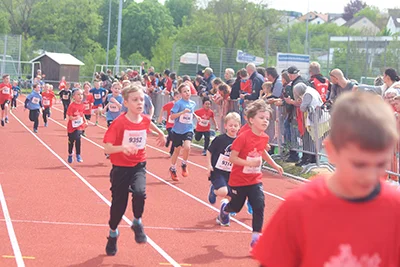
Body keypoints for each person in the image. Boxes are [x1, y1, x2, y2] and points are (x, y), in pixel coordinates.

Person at [252, 92, 400, 266]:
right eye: (359, 164)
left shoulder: (394, 209)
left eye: (380, 163)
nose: (369, 175)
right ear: (330, 150)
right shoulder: (300, 206)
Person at [103, 84, 166, 256]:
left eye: (142, 100)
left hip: (138, 165)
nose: (140, 103)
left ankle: (137, 222)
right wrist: (122, 148)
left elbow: (149, 124)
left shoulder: (144, 119)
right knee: (119, 205)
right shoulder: (119, 123)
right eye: (135, 100)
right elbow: (107, 148)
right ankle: (113, 233)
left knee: (140, 193)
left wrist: (160, 133)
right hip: (120, 169)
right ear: (125, 102)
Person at [217, 99, 283, 251]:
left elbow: (262, 151)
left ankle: (256, 239)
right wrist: (248, 164)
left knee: (259, 205)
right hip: (239, 180)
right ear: (251, 120)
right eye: (261, 118)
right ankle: (225, 209)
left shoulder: (264, 137)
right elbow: (232, 158)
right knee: (236, 206)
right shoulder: (243, 137)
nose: (265, 121)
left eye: (267, 118)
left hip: (255, 179)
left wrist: (274, 164)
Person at [207, 112, 240, 208]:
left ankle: (223, 215)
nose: (233, 128)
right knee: (223, 191)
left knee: (232, 195)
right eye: (230, 125)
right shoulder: (220, 139)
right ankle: (214, 190)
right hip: (218, 171)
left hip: (232, 173)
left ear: (239, 127)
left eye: (235, 125)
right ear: (225, 126)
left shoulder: (239, 141)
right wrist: (209, 166)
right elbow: (209, 151)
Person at [168, 84, 200, 181]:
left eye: (188, 91)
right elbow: (172, 116)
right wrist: (182, 112)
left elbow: (190, 111)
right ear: (181, 94)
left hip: (188, 129)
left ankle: (184, 164)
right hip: (177, 130)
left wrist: (195, 116)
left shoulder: (192, 103)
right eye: (185, 91)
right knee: (177, 150)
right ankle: (172, 168)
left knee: (187, 147)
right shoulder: (178, 104)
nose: (187, 93)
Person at [67, 89, 88, 163]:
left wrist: (85, 121)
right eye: (78, 94)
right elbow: (70, 117)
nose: (80, 96)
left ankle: (78, 155)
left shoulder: (82, 105)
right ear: (74, 96)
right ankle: (70, 154)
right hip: (71, 127)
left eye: (81, 94)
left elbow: (82, 114)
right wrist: (75, 118)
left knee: (78, 138)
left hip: (79, 126)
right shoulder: (71, 106)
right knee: (71, 142)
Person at [158, 90, 181, 156]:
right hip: (169, 124)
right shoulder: (171, 104)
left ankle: (171, 152)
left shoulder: (182, 105)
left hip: (177, 125)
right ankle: (168, 138)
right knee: (172, 135)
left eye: (180, 97)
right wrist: (160, 117)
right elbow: (163, 108)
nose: (178, 99)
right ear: (174, 97)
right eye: (177, 97)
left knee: (174, 138)